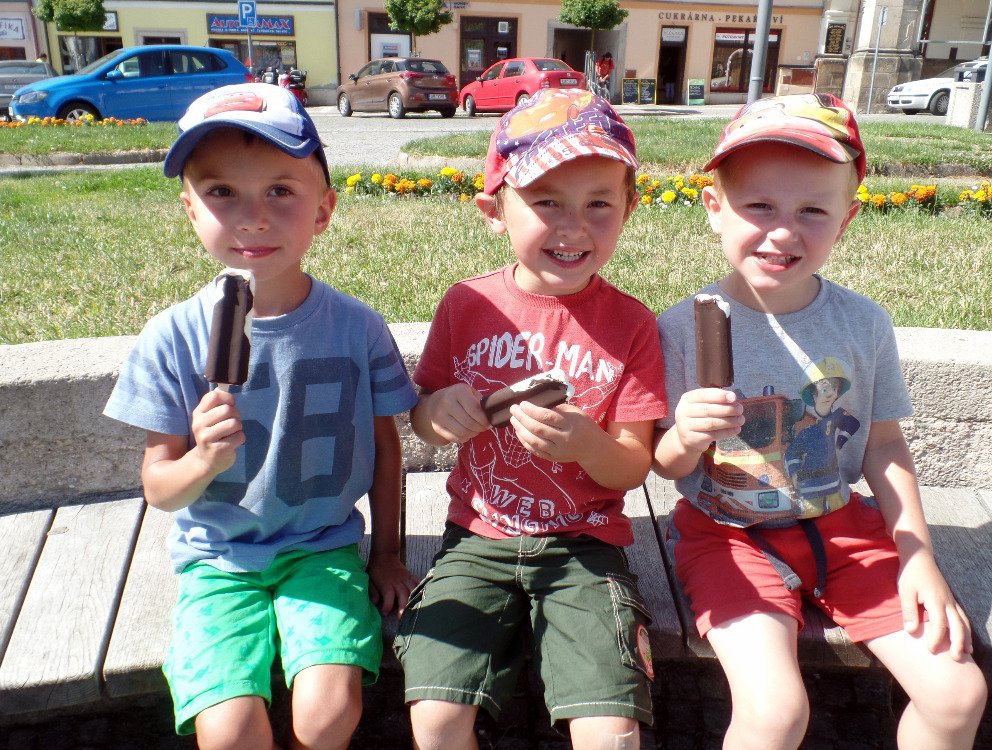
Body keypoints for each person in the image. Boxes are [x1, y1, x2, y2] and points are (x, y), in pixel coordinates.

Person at [653, 93, 987, 750]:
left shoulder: (862, 325)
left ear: (847, 219)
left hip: (843, 528)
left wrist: (918, 555)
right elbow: (664, 465)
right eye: (760, 206)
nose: (784, 232)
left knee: (957, 694)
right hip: (726, 537)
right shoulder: (681, 328)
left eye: (812, 211)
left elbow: (884, 445)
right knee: (776, 713)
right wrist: (686, 434)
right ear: (714, 207)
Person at [103, 82, 418, 750]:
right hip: (217, 559)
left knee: (328, 717)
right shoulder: (173, 338)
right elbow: (159, 487)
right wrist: (201, 459)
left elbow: (387, 447)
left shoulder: (358, 328)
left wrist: (387, 554)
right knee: (229, 735)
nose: (253, 218)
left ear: (323, 210)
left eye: (280, 191)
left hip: (323, 546)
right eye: (222, 192)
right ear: (190, 208)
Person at [394, 88, 668, 750]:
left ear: (629, 209)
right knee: (435, 717)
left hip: (584, 545)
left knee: (610, 730)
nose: (574, 227)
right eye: (547, 202)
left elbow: (633, 465)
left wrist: (586, 443)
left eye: (598, 204)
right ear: (495, 211)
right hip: (476, 537)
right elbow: (423, 419)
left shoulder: (632, 325)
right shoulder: (467, 304)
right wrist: (438, 412)